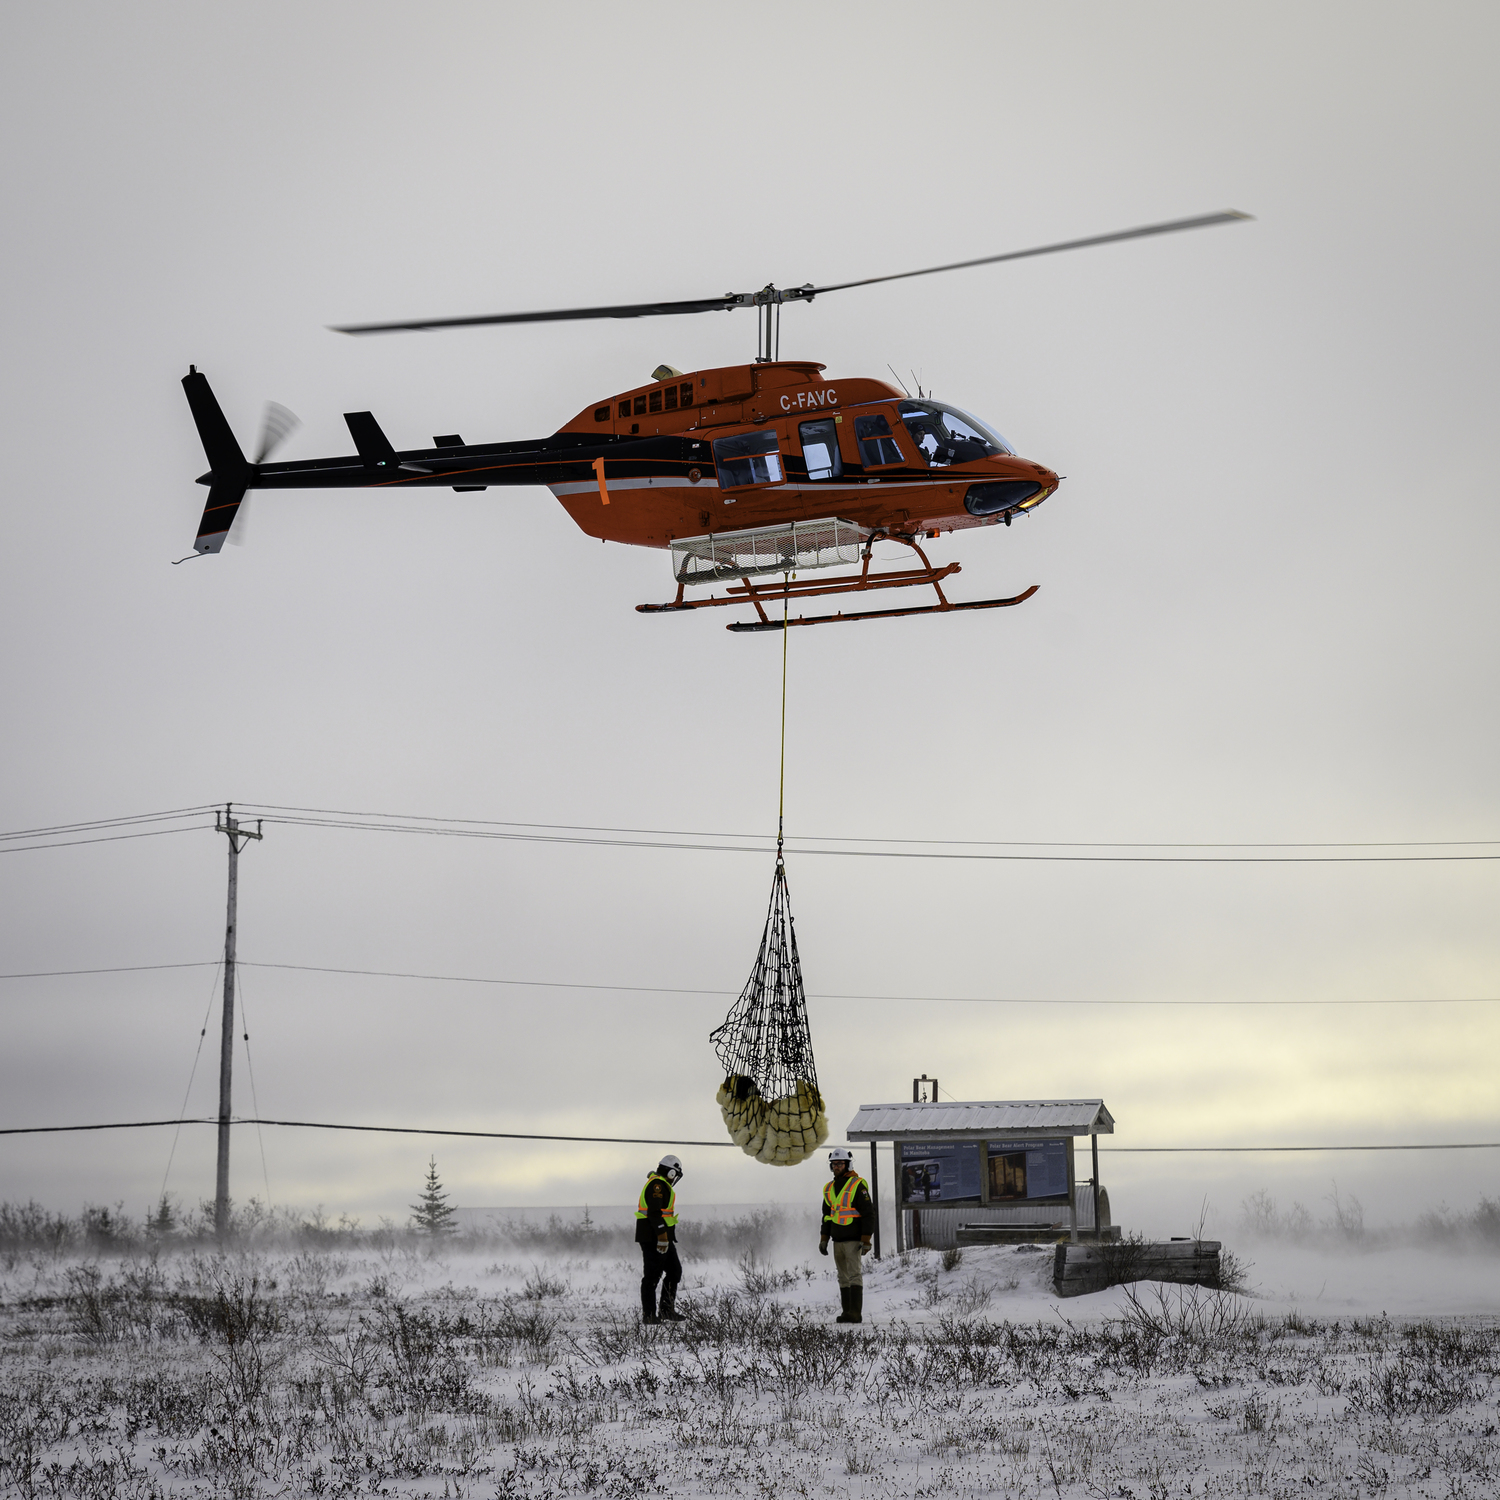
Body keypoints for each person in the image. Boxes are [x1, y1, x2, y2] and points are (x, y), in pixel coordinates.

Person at [819, 1146, 874, 1323]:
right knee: (842, 1277)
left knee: (854, 1275)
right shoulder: (829, 1188)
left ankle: (855, 1314)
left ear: (848, 1164)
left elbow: (868, 1214)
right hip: (837, 1240)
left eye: (840, 1163)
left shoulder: (858, 1185)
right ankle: (847, 1312)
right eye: (834, 1164)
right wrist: (824, 1239)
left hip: (853, 1240)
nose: (836, 1167)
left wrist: (866, 1240)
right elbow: (827, 1216)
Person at [635, 1154, 685, 1325]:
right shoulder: (657, 1185)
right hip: (653, 1237)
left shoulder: (661, 1185)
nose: (675, 1178)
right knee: (652, 1276)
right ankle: (649, 1316)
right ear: (671, 1172)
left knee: (674, 1271)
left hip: (663, 1237)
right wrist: (662, 1237)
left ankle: (666, 1310)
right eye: (675, 1174)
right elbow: (654, 1213)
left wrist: (665, 1237)